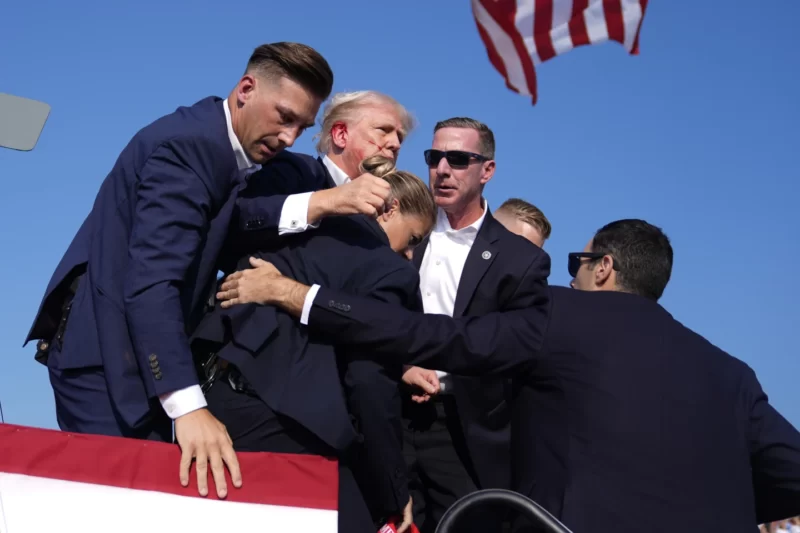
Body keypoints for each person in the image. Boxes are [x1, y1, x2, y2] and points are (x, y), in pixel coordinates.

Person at [217, 219, 800, 532]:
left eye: (578, 263)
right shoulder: (734, 375)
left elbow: (434, 336)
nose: (570, 277)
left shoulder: (558, 315)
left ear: (604, 268)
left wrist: (300, 296)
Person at [24, 42, 333, 499]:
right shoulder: (191, 148)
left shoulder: (219, 145)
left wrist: (324, 201)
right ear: (246, 88)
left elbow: (232, 215)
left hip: (134, 366)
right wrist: (188, 406)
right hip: (106, 367)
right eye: (284, 117)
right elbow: (152, 282)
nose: (290, 137)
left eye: (302, 128)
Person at [192, 155, 436, 532]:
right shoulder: (391, 272)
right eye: (413, 240)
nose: (409, 255)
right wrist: (394, 488)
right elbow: (369, 381)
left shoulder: (303, 228)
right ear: (390, 210)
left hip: (209, 401)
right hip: (283, 424)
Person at [392, 117, 549, 532]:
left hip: (466, 431)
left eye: (458, 159)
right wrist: (401, 366)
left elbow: (518, 347)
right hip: (391, 416)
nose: (442, 169)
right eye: (434, 157)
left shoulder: (521, 259)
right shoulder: (398, 233)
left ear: (487, 170)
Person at [223, 89, 413, 264]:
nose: (395, 144)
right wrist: (329, 201)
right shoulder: (296, 171)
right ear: (341, 134)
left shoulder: (390, 213)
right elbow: (237, 219)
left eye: (400, 138)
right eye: (383, 130)